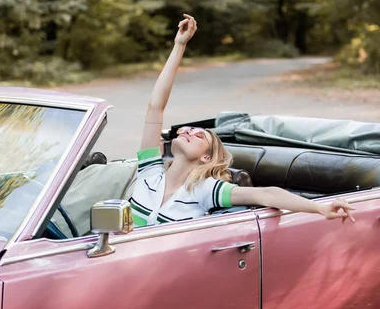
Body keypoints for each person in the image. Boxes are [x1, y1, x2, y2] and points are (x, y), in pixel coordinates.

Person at [129, 14, 356, 227]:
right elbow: (155, 107)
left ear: (206, 157)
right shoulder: (149, 171)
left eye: (199, 134)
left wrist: (321, 208)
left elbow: (267, 194)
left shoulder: (204, 190)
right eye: (187, 129)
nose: (188, 130)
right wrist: (179, 45)